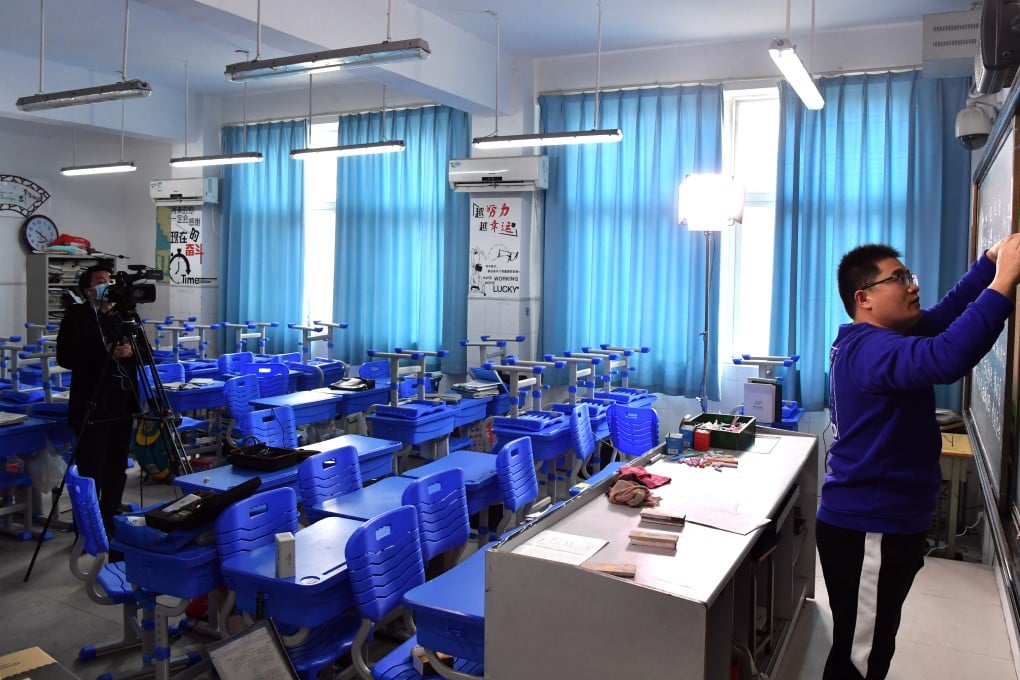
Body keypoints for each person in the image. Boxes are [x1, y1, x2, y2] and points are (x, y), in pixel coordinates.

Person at [820, 236, 1020, 679]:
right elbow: (948, 356)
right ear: (864, 298)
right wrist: (1006, 280)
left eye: (909, 277)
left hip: (881, 523)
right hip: (868, 527)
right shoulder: (873, 350)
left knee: (869, 646)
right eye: (900, 279)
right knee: (859, 659)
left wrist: (987, 265)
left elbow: (947, 318)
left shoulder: (874, 339)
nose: (913, 286)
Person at [56, 263, 138, 534]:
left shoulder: (124, 315)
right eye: (101, 281)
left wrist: (129, 353)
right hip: (91, 405)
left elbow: (145, 354)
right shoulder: (76, 317)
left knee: (117, 467)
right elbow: (65, 357)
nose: (108, 284)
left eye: (110, 279)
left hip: (122, 405)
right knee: (92, 471)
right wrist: (104, 352)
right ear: (88, 290)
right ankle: (88, 529)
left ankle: (111, 519)